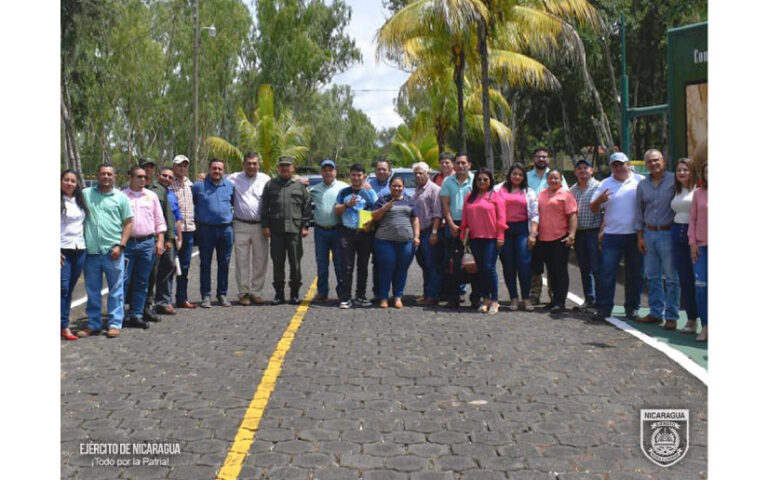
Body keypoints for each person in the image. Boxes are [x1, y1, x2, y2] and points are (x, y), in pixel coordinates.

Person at [77, 164, 133, 338]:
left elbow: (128, 223)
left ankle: (115, 323)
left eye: (109, 174)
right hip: (91, 252)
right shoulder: (86, 194)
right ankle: (93, 323)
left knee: (116, 290)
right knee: (92, 290)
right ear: (98, 175)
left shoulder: (121, 197)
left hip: (113, 251)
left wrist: (121, 245)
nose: (106, 177)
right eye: (103, 174)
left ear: (114, 176)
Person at [589, 152, 645, 322]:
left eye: (622, 164)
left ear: (629, 164)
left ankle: (632, 308)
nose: (619, 168)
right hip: (612, 235)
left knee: (636, 273)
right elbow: (593, 207)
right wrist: (600, 199)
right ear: (611, 167)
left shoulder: (640, 181)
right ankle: (604, 308)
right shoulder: (605, 183)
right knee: (607, 273)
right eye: (615, 165)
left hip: (635, 234)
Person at [635, 149, 679, 330]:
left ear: (663, 160)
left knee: (671, 277)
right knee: (652, 276)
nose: (653, 164)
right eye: (649, 162)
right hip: (648, 233)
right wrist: (640, 236)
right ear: (646, 165)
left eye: (656, 160)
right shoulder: (642, 185)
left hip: (668, 233)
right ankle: (655, 312)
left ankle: (671, 316)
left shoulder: (674, 180)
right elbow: (639, 211)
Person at [121, 166, 167, 329]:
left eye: (144, 178)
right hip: (127, 244)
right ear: (130, 178)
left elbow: (159, 220)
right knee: (123, 281)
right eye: (139, 177)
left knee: (142, 281)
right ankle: (119, 315)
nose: (142, 180)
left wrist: (160, 240)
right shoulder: (121, 196)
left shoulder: (152, 196)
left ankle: (137, 314)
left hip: (147, 244)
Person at [261, 156, 311, 305]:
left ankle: (294, 294)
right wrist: (265, 226)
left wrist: (305, 226)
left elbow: (306, 207)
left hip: (295, 231)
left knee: (295, 264)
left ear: (292, 168)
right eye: (282, 166)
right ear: (278, 168)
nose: (284, 169)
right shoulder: (270, 185)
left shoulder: (299, 186)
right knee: (278, 264)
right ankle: (279, 294)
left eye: (287, 166)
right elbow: (265, 207)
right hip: (276, 231)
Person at [459, 168, 506, 314]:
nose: (482, 182)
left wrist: (500, 236)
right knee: (479, 270)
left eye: (485, 179)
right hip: (475, 238)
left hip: (491, 239)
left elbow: (501, 218)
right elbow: (465, 219)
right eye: (479, 179)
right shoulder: (469, 197)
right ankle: (485, 299)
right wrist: (463, 237)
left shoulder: (495, 196)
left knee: (488, 268)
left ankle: (495, 300)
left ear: (490, 181)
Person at [228, 152, 271, 306]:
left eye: (254, 163)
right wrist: (202, 177)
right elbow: (217, 181)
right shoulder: (234, 178)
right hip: (240, 225)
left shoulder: (266, 179)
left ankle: (256, 292)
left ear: (258, 165)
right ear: (243, 164)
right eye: (249, 163)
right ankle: (243, 293)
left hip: (260, 226)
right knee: (241, 261)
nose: (251, 166)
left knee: (261, 260)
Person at [495, 163, 539, 312]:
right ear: (509, 174)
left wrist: (533, 234)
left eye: (520, 175)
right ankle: (513, 297)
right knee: (508, 265)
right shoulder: (499, 189)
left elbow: (534, 214)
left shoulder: (529, 191)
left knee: (524, 263)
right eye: (515, 174)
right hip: (504, 229)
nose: (517, 177)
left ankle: (526, 297)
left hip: (522, 229)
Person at [371, 176, 420, 308]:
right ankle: (384, 298)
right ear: (390, 186)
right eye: (394, 185)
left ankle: (398, 297)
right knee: (385, 269)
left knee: (401, 270)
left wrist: (416, 236)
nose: (397, 188)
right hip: (385, 241)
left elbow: (415, 219)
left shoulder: (410, 201)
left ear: (403, 188)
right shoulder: (382, 200)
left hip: (406, 242)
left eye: (399, 186)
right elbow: (374, 217)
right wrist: (384, 208)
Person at [334, 163, 379, 309]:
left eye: (359, 175)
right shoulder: (343, 192)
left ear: (364, 176)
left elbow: (377, 210)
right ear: (349, 176)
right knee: (346, 266)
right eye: (353, 175)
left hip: (365, 233)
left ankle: (361, 296)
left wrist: (371, 222)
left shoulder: (369, 191)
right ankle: (345, 297)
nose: (356, 178)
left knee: (363, 266)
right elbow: (336, 211)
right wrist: (347, 205)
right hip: (347, 232)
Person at [192, 158, 235, 308]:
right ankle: (206, 295)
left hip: (226, 229)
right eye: (214, 168)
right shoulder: (198, 186)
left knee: (224, 263)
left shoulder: (229, 186)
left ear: (223, 171)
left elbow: (233, 203)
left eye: (220, 169)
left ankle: (222, 294)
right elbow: (191, 202)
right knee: (205, 263)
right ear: (209, 169)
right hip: (206, 229)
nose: (217, 171)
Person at [527, 147, 567, 305]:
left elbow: (565, 198)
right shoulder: (527, 177)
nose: (541, 160)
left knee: (553, 265)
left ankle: (554, 295)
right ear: (533, 159)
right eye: (538, 157)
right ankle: (534, 294)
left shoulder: (557, 176)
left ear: (549, 159)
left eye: (544, 157)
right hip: (534, 228)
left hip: (555, 229)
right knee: (535, 264)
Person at [138, 158, 176, 322]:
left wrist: (168, 238)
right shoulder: (128, 190)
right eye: (145, 167)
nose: (148, 171)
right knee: (139, 275)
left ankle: (153, 304)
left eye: (151, 168)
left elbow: (167, 215)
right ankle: (136, 307)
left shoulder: (159, 191)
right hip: (136, 239)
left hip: (156, 238)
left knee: (158, 271)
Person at [536, 169, 577, 314]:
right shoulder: (541, 194)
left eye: (556, 178)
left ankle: (561, 301)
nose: (553, 180)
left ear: (561, 180)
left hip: (560, 237)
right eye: (551, 178)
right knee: (551, 272)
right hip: (544, 238)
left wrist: (572, 235)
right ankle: (553, 299)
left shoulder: (566, 195)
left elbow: (572, 215)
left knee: (560, 271)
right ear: (547, 180)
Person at [308, 159, 348, 304]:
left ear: (335, 171)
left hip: (338, 230)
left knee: (339, 263)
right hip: (320, 231)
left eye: (330, 169)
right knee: (322, 263)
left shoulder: (344, 187)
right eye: (325, 170)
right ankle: (322, 292)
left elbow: (357, 193)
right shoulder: (314, 189)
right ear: (321, 172)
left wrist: (366, 186)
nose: (328, 172)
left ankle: (342, 292)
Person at [440, 153, 475, 309]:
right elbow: (445, 205)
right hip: (453, 225)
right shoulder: (448, 181)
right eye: (458, 163)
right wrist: (451, 224)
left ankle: (476, 297)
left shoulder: (476, 180)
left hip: (472, 226)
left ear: (469, 164)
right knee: (452, 262)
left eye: (463, 163)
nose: (461, 166)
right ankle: (453, 297)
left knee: (473, 262)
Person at [670, 158, 699, 334]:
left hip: (695, 235)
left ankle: (706, 319)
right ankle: (691, 319)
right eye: (679, 170)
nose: (681, 173)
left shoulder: (700, 190)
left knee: (700, 281)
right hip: (677, 234)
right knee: (685, 280)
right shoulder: (676, 190)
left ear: (692, 171)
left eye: (685, 170)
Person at [569, 159, 602, 310]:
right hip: (579, 233)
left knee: (596, 266)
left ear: (592, 170)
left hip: (594, 231)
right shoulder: (572, 190)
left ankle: (601, 300)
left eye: (585, 168)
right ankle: (589, 298)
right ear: (575, 172)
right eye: (579, 169)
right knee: (584, 267)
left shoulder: (599, 187)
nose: (582, 171)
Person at [61, 170, 88, 340]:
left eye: (72, 181)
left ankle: (64, 326)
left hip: (79, 249)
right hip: (62, 249)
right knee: (61, 288)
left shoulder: (80, 201)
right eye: (66, 180)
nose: (69, 183)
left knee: (69, 289)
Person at [412, 162, 443, 306]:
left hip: (430, 231)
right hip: (419, 233)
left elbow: (437, 214)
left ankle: (434, 296)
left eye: (421, 173)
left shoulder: (434, 190)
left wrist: (434, 233)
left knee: (432, 265)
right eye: (416, 173)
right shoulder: (417, 190)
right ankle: (426, 293)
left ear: (428, 174)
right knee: (424, 265)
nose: (418, 176)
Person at [168, 154, 197, 309]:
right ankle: (166, 300)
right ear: (173, 166)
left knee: (184, 267)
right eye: (179, 165)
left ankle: (182, 297)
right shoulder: (169, 184)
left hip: (189, 230)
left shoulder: (191, 185)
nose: (182, 168)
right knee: (169, 267)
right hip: (172, 232)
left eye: (185, 165)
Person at [156, 167, 183, 315]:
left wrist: (179, 238)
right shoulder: (152, 193)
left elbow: (177, 219)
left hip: (170, 239)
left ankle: (163, 302)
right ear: (158, 176)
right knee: (151, 273)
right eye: (164, 175)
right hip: (156, 237)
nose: (167, 179)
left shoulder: (172, 196)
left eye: (170, 177)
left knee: (167, 271)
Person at [689, 149, 707, 342]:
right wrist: (692, 243)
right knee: (701, 286)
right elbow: (692, 220)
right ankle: (705, 326)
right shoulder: (698, 194)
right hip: (701, 247)